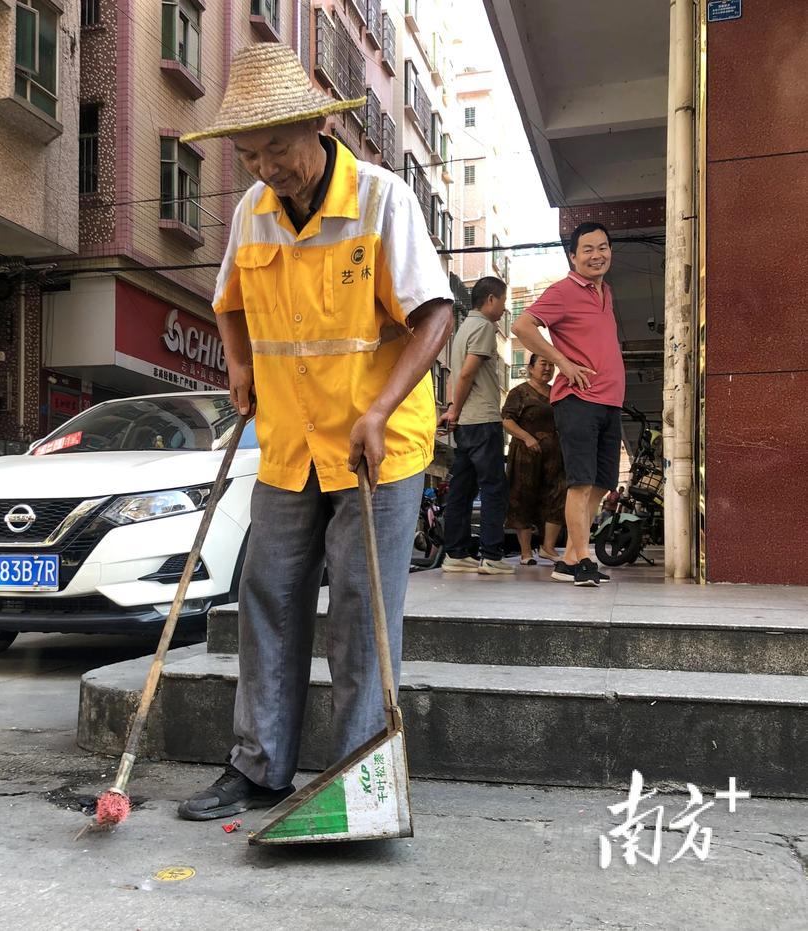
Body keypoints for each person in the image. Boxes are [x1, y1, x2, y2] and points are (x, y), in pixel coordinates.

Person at [174, 43, 454, 821]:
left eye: (278, 148)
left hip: (376, 445)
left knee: (362, 611)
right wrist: (237, 364)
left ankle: (356, 776)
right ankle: (260, 765)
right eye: (250, 153)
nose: (266, 167)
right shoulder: (251, 212)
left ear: (322, 126)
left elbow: (434, 314)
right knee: (268, 597)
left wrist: (377, 408)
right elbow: (227, 298)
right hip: (291, 443)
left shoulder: (381, 199)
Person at [512, 222, 625, 587]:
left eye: (603, 247)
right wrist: (561, 361)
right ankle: (582, 559)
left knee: (601, 483)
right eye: (588, 249)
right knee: (580, 482)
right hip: (578, 399)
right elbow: (523, 326)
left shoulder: (606, 292)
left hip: (610, 400)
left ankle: (571, 559)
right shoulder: (563, 291)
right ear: (573, 256)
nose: (597, 255)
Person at [439, 277, 513, 575]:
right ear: (492, 299)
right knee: (494, 487)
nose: (505, 309)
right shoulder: (483, 327)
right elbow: (468, 374)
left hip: (467, 424)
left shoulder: (463, 329)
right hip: (482, 419)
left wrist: (454, 411)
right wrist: (454, 409)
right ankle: (492, 555)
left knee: (462, 488)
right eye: (504, 301)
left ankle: (455, 553)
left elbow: (459, 374)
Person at [501, 353, 566, 565]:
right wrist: (527, 437)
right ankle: (526, 552)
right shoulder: (519, 392)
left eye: (551, 364)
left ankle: (548, 547)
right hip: (525, 454)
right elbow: (507, 420)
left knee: (558, 496)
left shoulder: (557, 393)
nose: (547, 368)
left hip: (554, 455)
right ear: (530, 368)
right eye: (543, 364)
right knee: (522, 498)